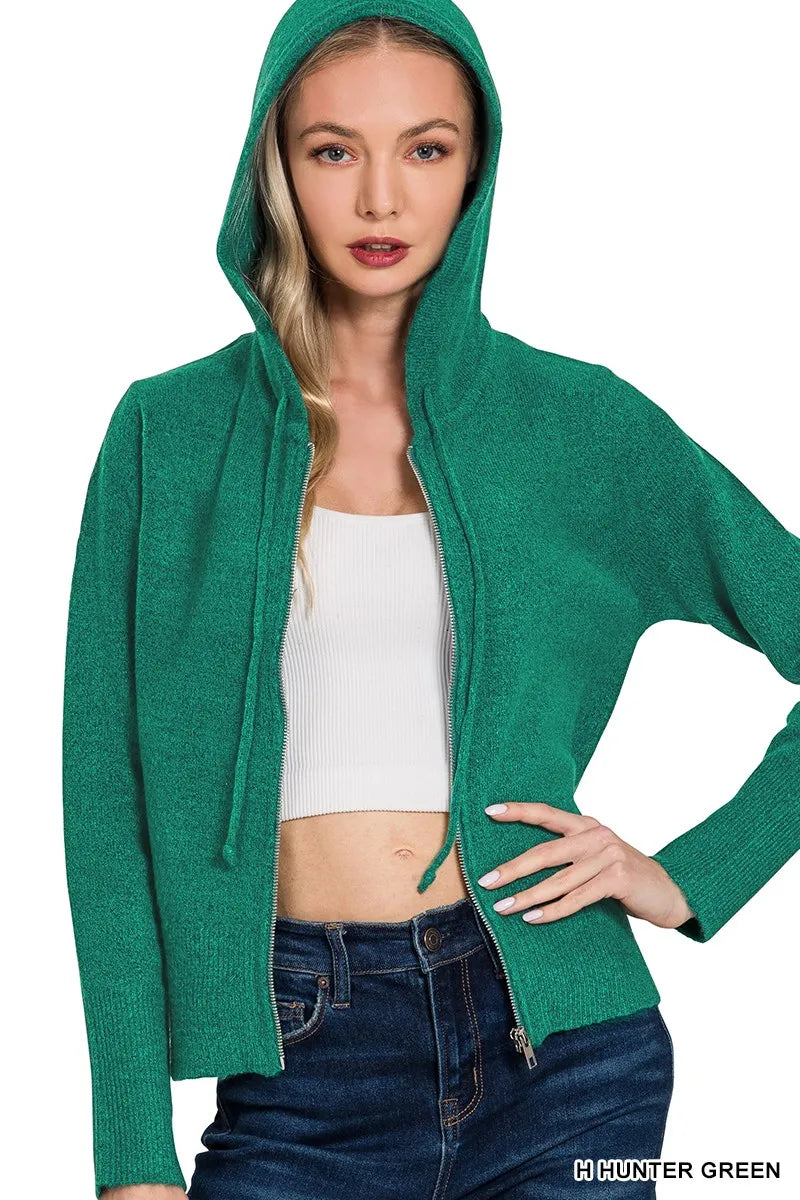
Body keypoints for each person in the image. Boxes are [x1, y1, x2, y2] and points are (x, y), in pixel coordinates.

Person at [62, 1, 800, 1198]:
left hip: (561, 1050)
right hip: (301, 1060)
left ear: (474, 169)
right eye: (332, 150)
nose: (379, 200)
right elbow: (106, 810)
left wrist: (690, 876)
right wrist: (130, 1154)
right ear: (273, 166)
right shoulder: (167, 434)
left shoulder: (577, 425)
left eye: (424, 148)